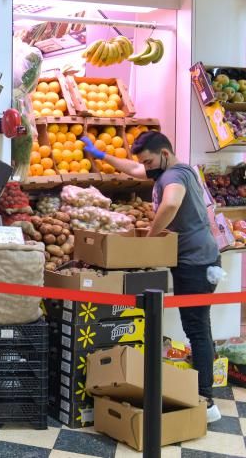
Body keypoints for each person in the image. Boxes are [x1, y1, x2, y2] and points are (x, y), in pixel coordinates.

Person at [82, 131, 222, 423]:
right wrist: (100, 155)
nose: (145, 168)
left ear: (165, 154)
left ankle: (207, 401)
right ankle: (204, 393)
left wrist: (150, 238)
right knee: (198, 325)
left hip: (194, 263)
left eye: (148, 161)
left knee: (196, 328)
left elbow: (170, 204)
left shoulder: (176, 176)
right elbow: (133, 168)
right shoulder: (165, 170)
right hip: (195, 260)